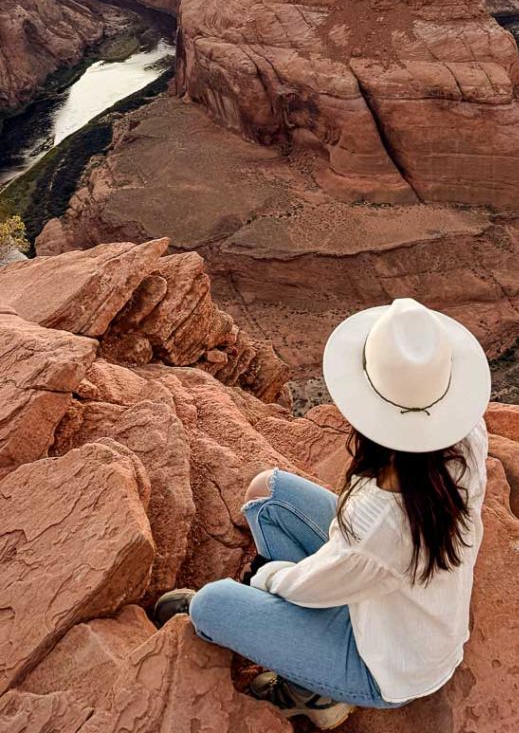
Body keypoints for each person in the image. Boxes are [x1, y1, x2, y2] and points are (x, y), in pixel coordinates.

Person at [154, 297, 490, 729]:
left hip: (385, 666)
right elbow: (353, 557)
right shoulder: (463, 436)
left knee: (212, 606)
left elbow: (309, 586)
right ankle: (303, 640)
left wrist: (263, 581)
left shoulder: (380, 519)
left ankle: (313, 694)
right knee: (267, 494)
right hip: (396, 607)